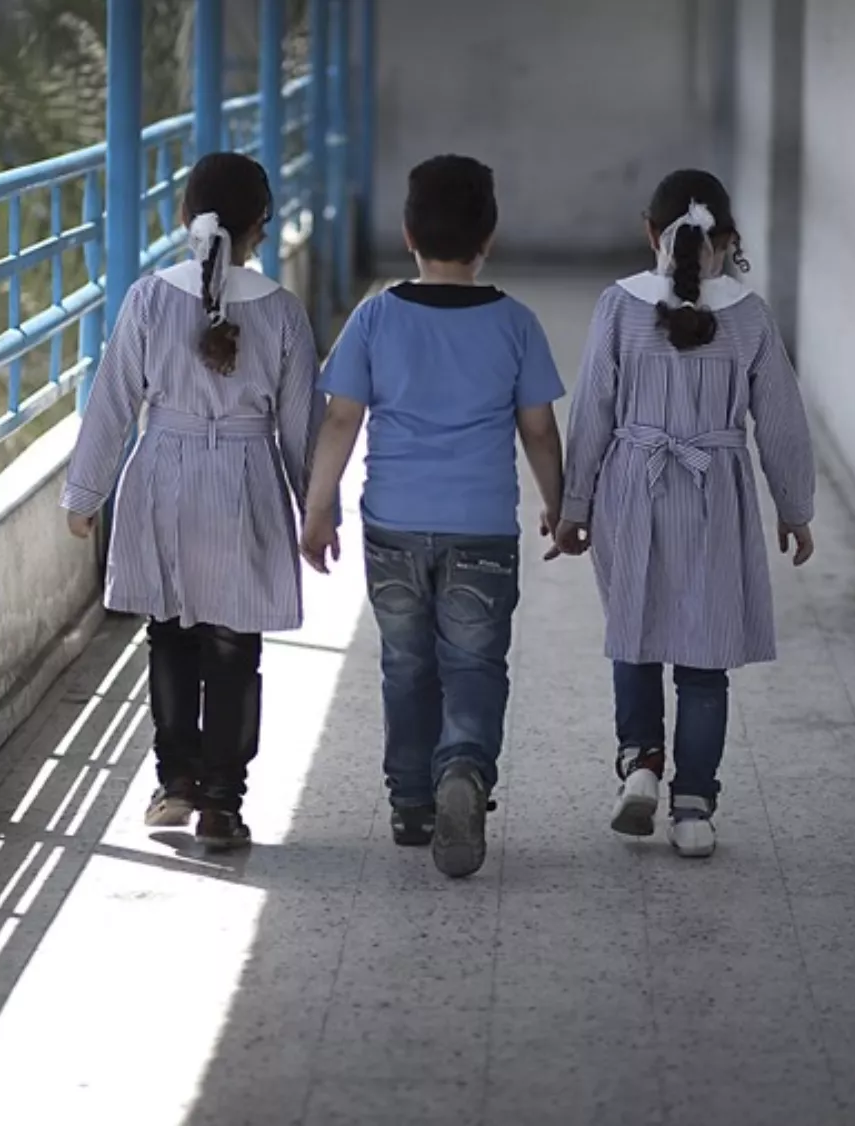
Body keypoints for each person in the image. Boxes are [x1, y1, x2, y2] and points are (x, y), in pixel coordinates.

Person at [301, 154, 566, 879]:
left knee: (406, 663)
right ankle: (464, 772)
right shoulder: (516, 323)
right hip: (481, 528)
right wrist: (559, 502)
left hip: (392, 526)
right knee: (475, 664)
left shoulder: (377, 317)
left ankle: (413, 802)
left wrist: (317, 511)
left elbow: (340, 421)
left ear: (408, 232)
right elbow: (538, 430)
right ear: (490, 236)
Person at [551, 169, 817, 859]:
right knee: (704, 655)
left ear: (650, 232)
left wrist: (573, 506)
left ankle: (640, 762)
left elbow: (592, 413)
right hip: (713, 494)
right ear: (729, 241)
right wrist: (795, 507)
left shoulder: (619, 305)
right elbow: (781, 420)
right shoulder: (750, 314)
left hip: (632, 487)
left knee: (634, 633)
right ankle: (694, 806)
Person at [61, 152, 321, 852]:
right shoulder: (284, 312)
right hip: (244, 481)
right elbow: (301, 425)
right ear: (260, 229)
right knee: (235, 647)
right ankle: (222, 804)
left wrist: (85, 496)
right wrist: (314, 509)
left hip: (164, 478)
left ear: (185, 218)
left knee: (170, 634)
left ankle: (174, 781)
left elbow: (112, 404)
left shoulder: (147, 297)